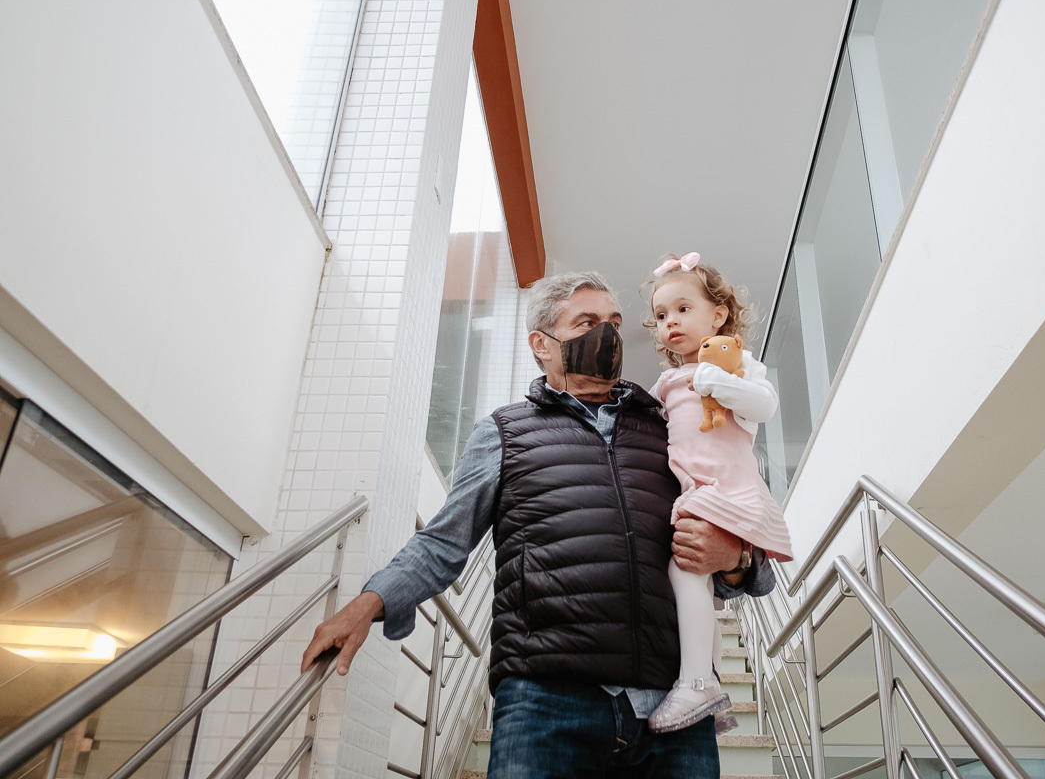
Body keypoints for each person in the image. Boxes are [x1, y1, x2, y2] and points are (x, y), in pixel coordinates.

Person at [301, 272, 776, 779]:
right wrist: (369, 603)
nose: (609, 335)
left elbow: (749, 541)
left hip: (672, 707)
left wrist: (737, 562)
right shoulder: (505, 432)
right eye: (588, 322)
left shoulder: (669, 423)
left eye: (614, 322)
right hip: (546, 701)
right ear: (541, 344)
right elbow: (444, 542)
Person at [642, 253, 793, 734]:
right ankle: (706, 682)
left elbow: (765, 405)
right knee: (700, 593)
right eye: (662, 315)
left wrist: (723, 383)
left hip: (727, 489)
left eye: (683, 309)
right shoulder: (666, 382)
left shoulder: (737, 364)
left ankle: (696, 684)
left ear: (719, 314)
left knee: (685, 570)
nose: (671, 323)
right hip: (695, 489)